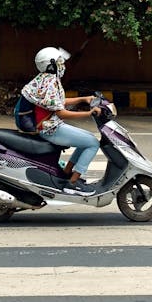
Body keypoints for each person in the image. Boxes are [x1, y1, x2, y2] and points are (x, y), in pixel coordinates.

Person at [20, 46, 100, 195]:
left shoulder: (45, 79)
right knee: (93, 143)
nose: (62, 66)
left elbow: (58, 101)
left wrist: (84, 98)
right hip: (50, 129)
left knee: (87, 139)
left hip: (50, 125)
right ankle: (73, 183)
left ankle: (67, 172)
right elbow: (61, 112)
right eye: (60, 62)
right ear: (51, 65)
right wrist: (89, 113)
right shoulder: (50, 82)